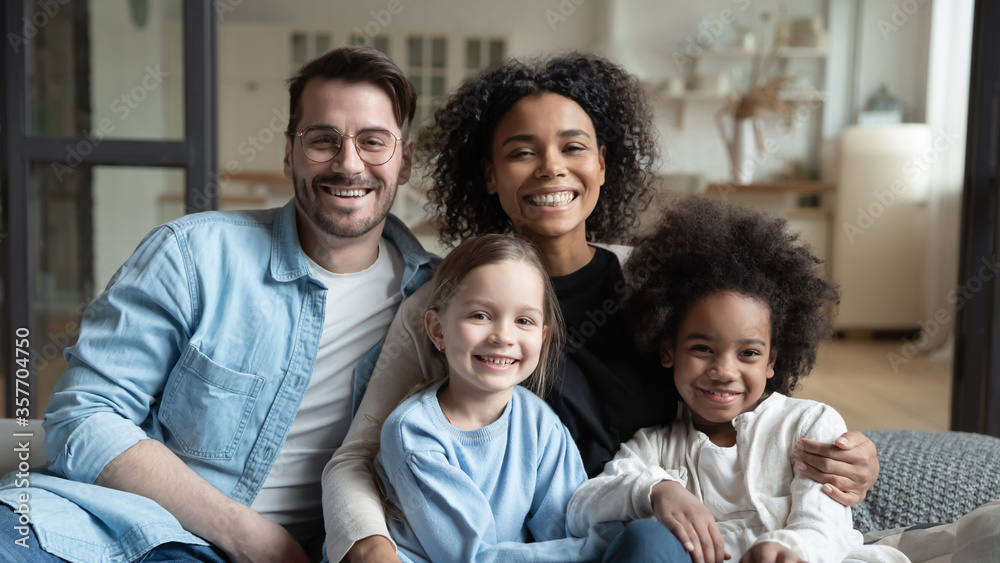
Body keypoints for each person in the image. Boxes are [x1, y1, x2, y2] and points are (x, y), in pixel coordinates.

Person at [323, 52, 879, 563]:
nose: (550, 168)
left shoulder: (663, 284)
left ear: (604, 163)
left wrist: (850, 461)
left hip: (652, 537)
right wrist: (370, 543)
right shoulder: (443, 304)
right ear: (489, 174)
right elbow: (359, 456)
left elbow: (749, 399)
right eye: (521, 152)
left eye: (573, 147)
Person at [0, 46, 438, 563]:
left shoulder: (437, 300)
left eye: (373, 142)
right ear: (289, 154)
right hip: (117, 525)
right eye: (322, 140)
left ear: (405, 160)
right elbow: (83, 416)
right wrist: (248, 533)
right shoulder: (191, 255)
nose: (347, 163)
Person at [567, 196, 908, 563]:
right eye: (702, 348)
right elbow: (581, 508)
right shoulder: (654, 446)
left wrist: (788, 549)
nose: (724, 371)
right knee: (643, 538)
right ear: (668, 350)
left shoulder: (807, 425)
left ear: (772, 361)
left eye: (748, 353)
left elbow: (825, 527)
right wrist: (654, 489)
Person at [375, 233, 610, 562]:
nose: (503, 336)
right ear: (438, 330)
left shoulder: (540, 423)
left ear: (542, 337)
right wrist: (605, 546)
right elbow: (473, 557)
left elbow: (566, 528)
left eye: (523, 320)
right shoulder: (413, 432)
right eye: (480, 315)